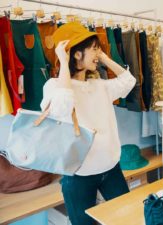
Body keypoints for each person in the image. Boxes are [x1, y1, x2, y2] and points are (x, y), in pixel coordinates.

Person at [42, 22, 135, 225]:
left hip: (110, 168)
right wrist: (63, 63)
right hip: (78, 175)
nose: (98, 53)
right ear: (76, 54)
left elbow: (129, 82)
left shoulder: (98, 85)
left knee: (127, 219)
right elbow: (62, 108)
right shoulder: (53, 87)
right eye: (93, 49)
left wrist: (103, 58)